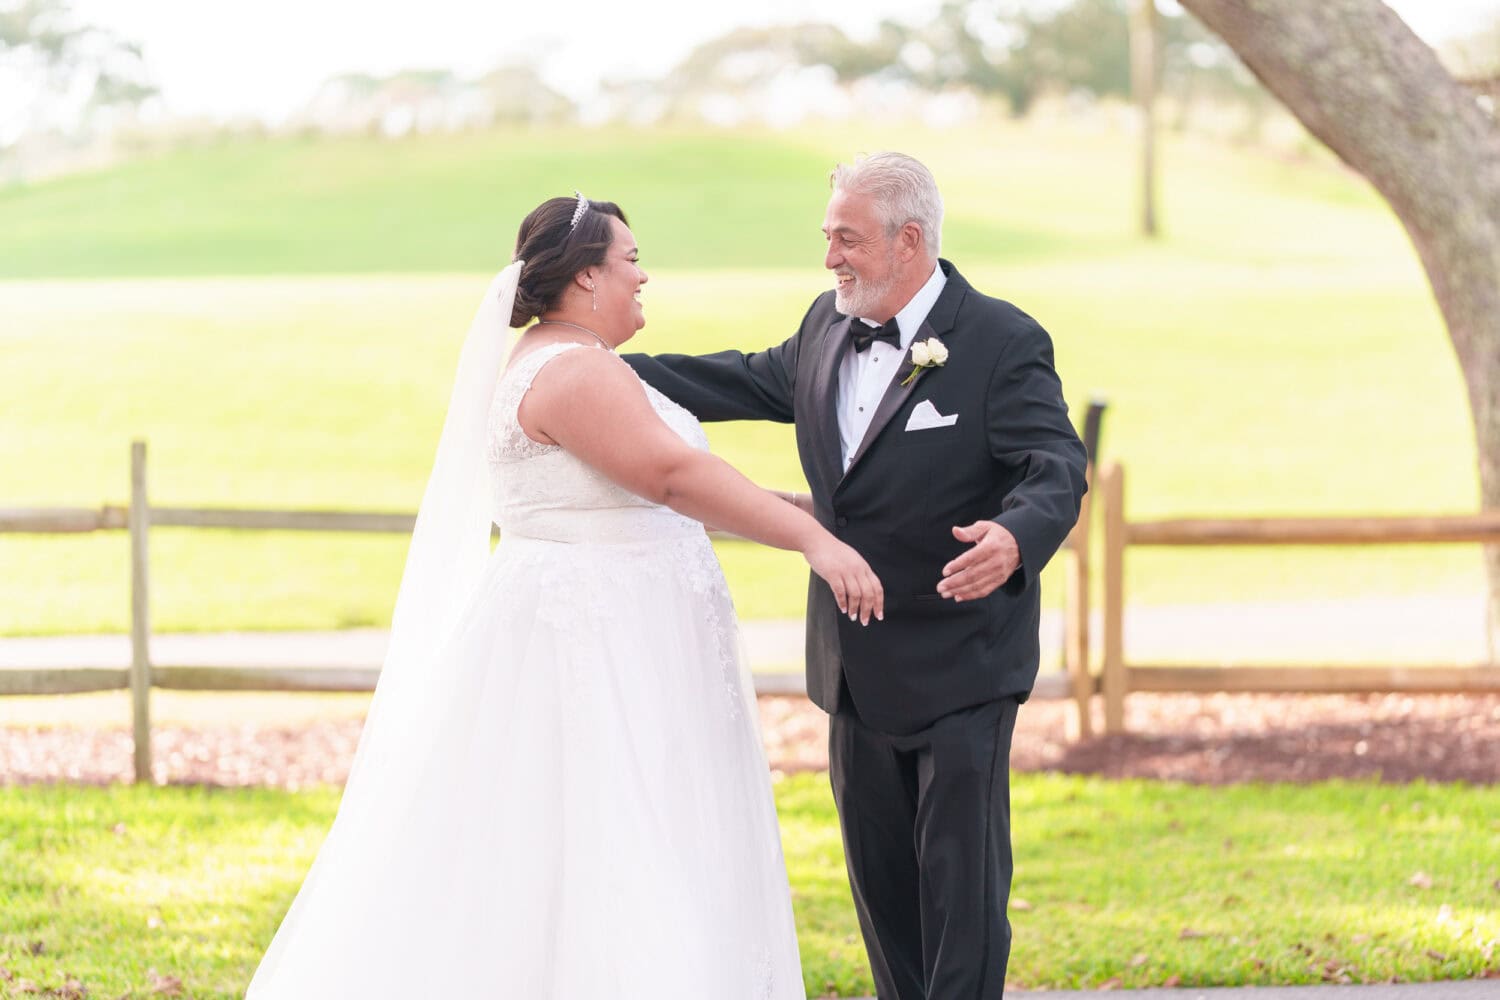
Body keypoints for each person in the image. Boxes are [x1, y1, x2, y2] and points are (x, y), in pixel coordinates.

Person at [245, 194, 884, 999]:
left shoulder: (572, 361)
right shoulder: (573, 370)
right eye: (630, 260)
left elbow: (653, 491)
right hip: (598, 649)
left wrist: (811, 513)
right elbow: (671, 475)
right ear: (586, 277)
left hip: (630, 638)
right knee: (610, 840)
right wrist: (813, 544)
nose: (644, 275)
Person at [626, 152, 1088, 999]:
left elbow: (1054, 461)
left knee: (962, 896)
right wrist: (592, 370)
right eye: (827, 237)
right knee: (882, 898)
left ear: (909, 240)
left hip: (962, 660)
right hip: (851, 668)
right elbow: (736, 377)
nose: (830, 257)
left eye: (846, 239)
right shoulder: (825, 324)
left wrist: (1018, 537)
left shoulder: (1002, 339)